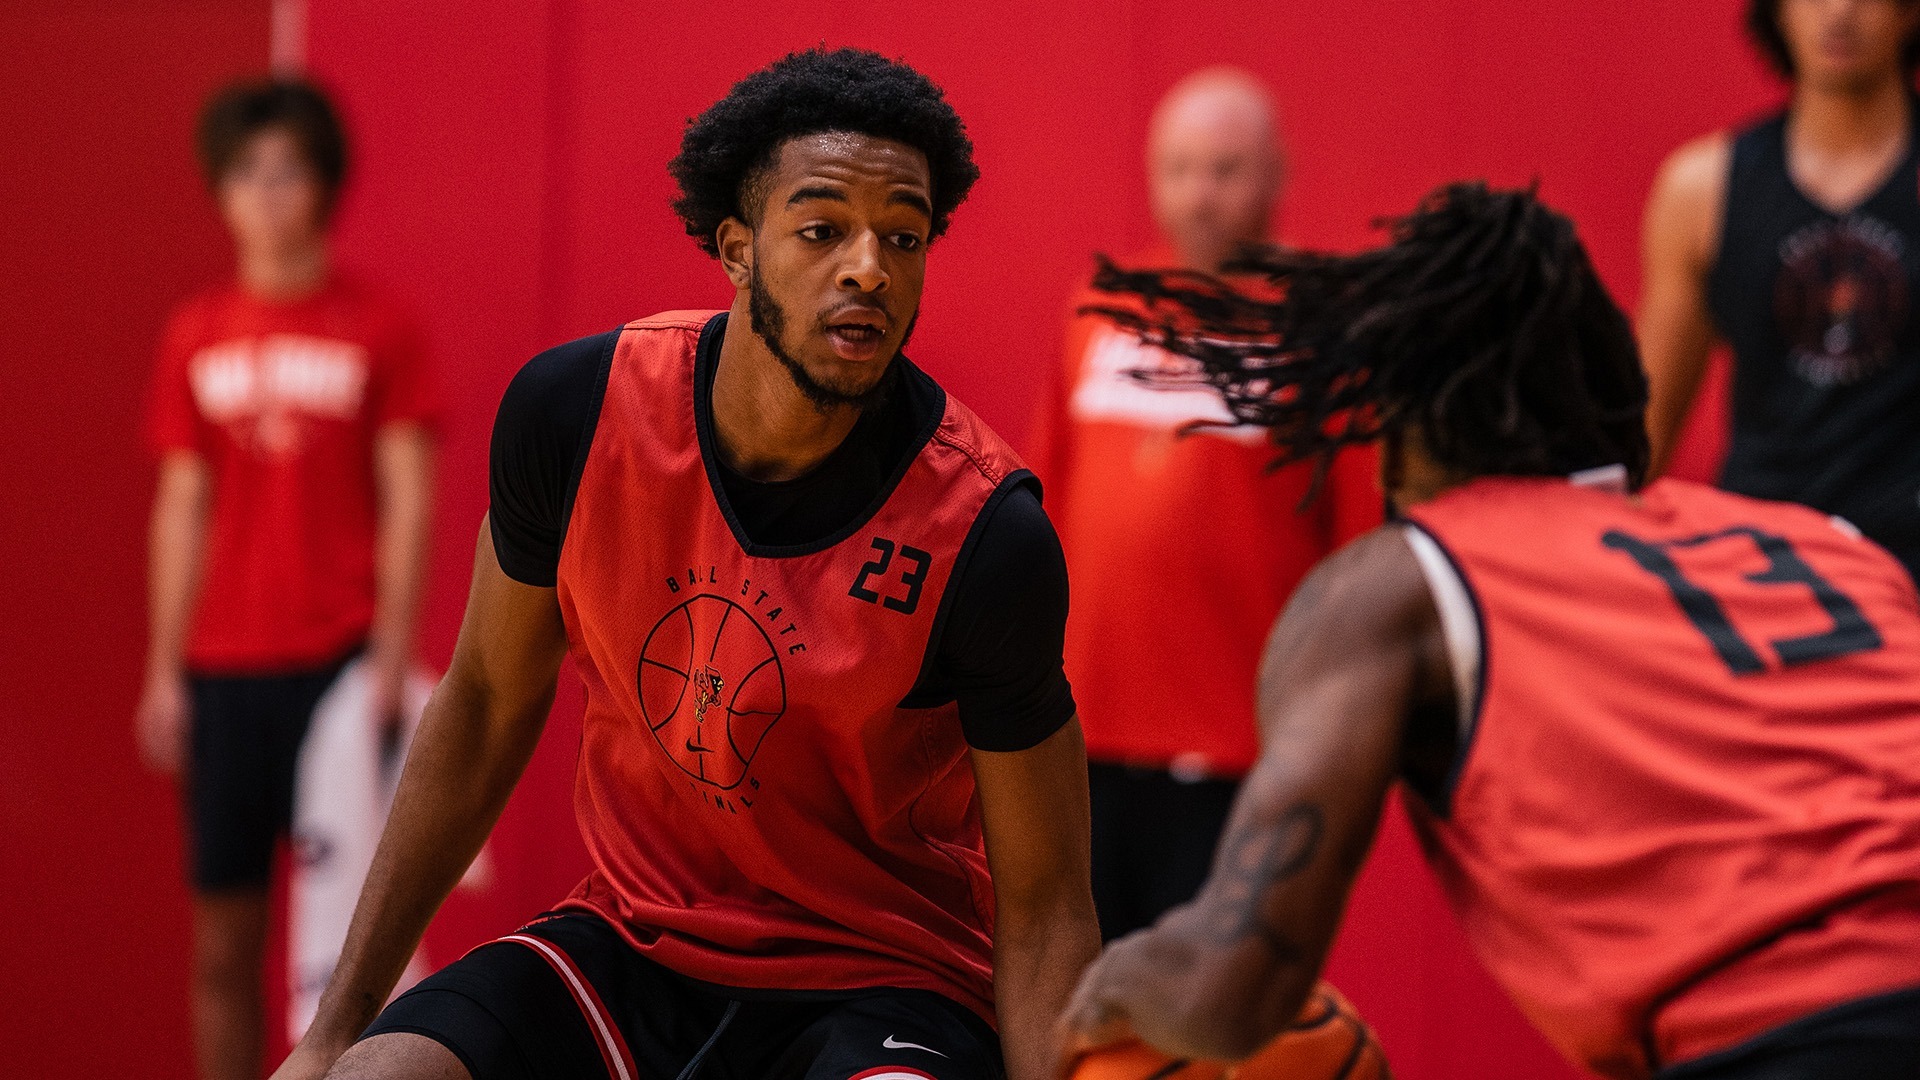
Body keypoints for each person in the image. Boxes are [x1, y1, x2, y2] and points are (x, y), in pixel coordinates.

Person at [274, 48, 1099, 1080]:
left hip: (885, 978)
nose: (868, 268)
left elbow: (1049, 899)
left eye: (904, 234)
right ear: (737, 248)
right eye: (822, 229)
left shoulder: (985, 533)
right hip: (630, 942)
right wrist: (328, 1034)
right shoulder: (576, 416)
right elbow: (485, 702)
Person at [1058, 183, 1920, 1079]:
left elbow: (1227, 994)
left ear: (1403, 434)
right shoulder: (1832, 546)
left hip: (1804, 1034)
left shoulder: (1405, 578)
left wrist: (1097, 998)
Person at [1028, 67, 1376, 942]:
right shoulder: (1101, 303)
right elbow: (1044, 505)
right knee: (1075, 1001)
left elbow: (1363, 552)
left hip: (1240, 749)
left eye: (1224, 169)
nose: (1199, 194)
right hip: (1080, 735)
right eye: (1178, 168)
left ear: (1275, 174)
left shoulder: (1328, 328)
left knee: (1207, 1028)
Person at [137, 78, 439, 1080]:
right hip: (224, 675)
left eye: (287, 172)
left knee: (352, 953)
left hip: (342, 671)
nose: (266, 193)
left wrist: (393, 660)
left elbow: (409, 500)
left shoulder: (381, 330)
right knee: (224, 937)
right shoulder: (196, 333)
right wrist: (164, 671)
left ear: (323, 186)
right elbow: (182, 505)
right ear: (218, 191)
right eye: (245, 174)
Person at [1640, 0, 1920, 584]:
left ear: (1909, 11)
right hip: (1758, 575)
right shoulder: (1702, 191)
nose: (1839, 11)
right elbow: (1644, 435)